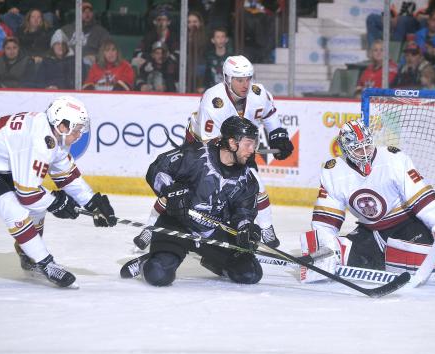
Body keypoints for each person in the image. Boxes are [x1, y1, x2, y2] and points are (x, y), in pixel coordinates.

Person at [301, 120, 435, 288]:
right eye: (358, 149)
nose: (365, 153)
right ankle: (380, 257)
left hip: (408, 226)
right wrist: (327, 247)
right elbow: (325, 219)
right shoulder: (332, 171)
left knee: (423, 258)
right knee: (337, 251)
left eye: (368, 146)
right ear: (345, 150)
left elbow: (421, 197)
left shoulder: (394, 159)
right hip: (371, 232)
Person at [0, 96, 117, 288]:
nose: (79, 134)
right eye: (76, 129)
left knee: (39, 203)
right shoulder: (37, 141)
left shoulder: (52, 134)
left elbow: (66, 175)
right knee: (13, 209)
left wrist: (92, 202)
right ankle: (44, 263)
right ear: (61, 125)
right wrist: (58, 204)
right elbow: (28, 196)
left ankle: (28, 254)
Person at [135, 55, 293, 250]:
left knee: (255, 185)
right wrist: (241, 149)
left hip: (236, 145)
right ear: (227, 79)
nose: (245, 85)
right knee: (179, 190)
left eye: (248, 79)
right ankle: (151, 228)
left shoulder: (258, 93)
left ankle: (267, 229)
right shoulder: (214, 100)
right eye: (239, 80)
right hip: (202, 145)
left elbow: (269, 114)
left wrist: (278, 135)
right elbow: (212, 144)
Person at [136, 116, 264, 287]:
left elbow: (244, 211)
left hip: (212, 231)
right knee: (158, 274)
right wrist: (171, 192)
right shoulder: (196, 155)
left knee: (250, 274)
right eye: (248, 144)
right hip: (178, 225)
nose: (252, 150)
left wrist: (245, 228)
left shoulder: (247, 178)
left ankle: (214, 262)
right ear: (232, 143)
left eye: (254, 144)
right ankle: (146, 262)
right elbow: (158, 169)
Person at [59, 1, 110, 67]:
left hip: (87, 64)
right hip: (66, 62)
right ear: (77, 13)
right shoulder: (66, 29)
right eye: (83, 10)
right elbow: (55, 48)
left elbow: (107, 51)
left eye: (90, 10)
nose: (87, 13)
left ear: (93, 13)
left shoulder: (101, 32)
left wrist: (96, 57)